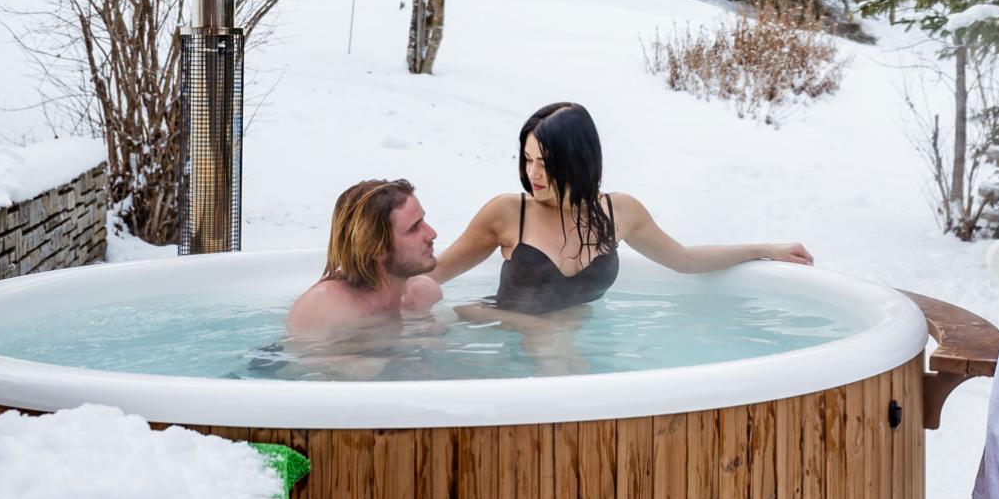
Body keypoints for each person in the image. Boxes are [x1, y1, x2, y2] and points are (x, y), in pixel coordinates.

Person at [426, 102, 811, 366]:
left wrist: (763, 248)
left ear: (578, 160)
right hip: (502, 332)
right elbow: (434, 275)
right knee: (555, 354)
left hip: (569, 334)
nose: (533, 175)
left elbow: (685, 261)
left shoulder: (620, 212)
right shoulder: (508, 213)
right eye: (527, 161)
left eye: (545, 164)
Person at [285, 179, 446, 343]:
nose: (432, 234)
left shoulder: (425, 293)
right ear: (376, 248)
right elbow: (298, 362)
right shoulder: (323, 308)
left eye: (423, 221)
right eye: (414, 228)